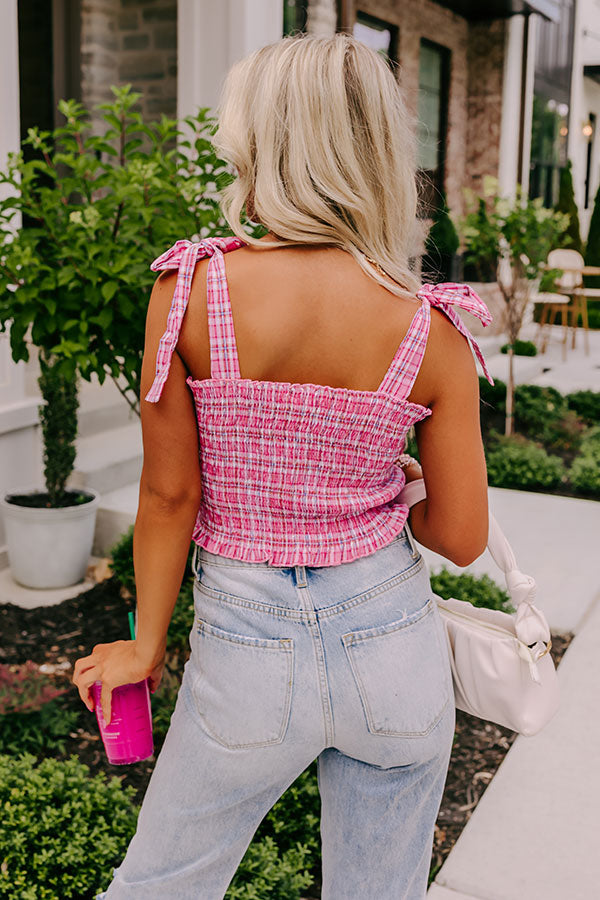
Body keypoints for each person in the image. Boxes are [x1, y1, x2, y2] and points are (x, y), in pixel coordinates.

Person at [74, 32, 493, 900]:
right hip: (396, 659)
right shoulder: (433, 329)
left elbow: (168, 494)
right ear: (378, 155)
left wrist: (145, 647)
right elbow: (461, 535)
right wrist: (405, 494)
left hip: (246, 656)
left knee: (162, 884)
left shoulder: (190, 290)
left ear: (262, 146)